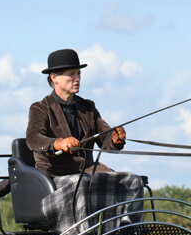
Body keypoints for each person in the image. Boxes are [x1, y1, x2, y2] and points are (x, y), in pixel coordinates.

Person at [26, 48, 127, 178]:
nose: (77, 78)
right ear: (54, 77)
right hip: (55, 175)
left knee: (130, 180)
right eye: (72, 74)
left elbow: (105, 141)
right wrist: (58, 143)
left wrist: (115, 139)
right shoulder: (40, 108)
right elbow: (33, 138)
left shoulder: (88, 107)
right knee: (86, 185)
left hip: (87, 172)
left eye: (78, 74)